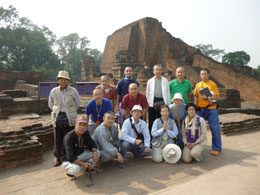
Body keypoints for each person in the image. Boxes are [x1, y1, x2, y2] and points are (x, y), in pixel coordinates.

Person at [48, 70, 80, 167]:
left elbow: (77, 105)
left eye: (65, 79)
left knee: (69, 138)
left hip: (69, 117)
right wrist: (57, 111)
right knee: (58, 138)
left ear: (68, 81)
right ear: (58, 80)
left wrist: (69, 112)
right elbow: (51, 104)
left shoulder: (73, 91)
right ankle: (58, 157)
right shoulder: (54, 91)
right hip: (58, 116)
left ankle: (70, 156)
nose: (63, 81)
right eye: (61, 79)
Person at [61, 115, 100, 180]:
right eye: (80, 124)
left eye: (84, 125)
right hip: (68, 159)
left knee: (97, 152)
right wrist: (83, 164)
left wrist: (95, 152)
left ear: (87, 127)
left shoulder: (85, 133)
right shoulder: (69, 137)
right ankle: (69, 173)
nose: (82, 127)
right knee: (76, 169)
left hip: (80, 155)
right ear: (75, 125)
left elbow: (92, 143)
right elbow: (70, 157)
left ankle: (86, 168)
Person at [194, 68, 222, 156]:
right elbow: (196, 96)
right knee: (197, 128)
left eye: (205, 74)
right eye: (201, 74)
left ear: (209, 74)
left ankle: (216, 148)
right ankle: (196, 146)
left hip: (211, 109)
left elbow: (217, 97)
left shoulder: (212, 84)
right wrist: (194, 107)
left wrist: (208, 98)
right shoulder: (198, 85)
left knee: (214, 128)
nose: (203, 75)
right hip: (200, 109)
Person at [146, 64, 171, 132]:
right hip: (152, 101)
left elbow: (167, 92)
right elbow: (148, 93)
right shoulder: (150, 81)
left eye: (159, 70)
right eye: (156, 70)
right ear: (154, 71)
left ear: (161, 71)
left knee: (161, 119)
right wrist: (147, 104)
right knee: (151, 119)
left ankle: (161, 135)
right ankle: (151, 136)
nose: (158, 71)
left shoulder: (165, 80)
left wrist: (168, 104)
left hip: (162, 101)